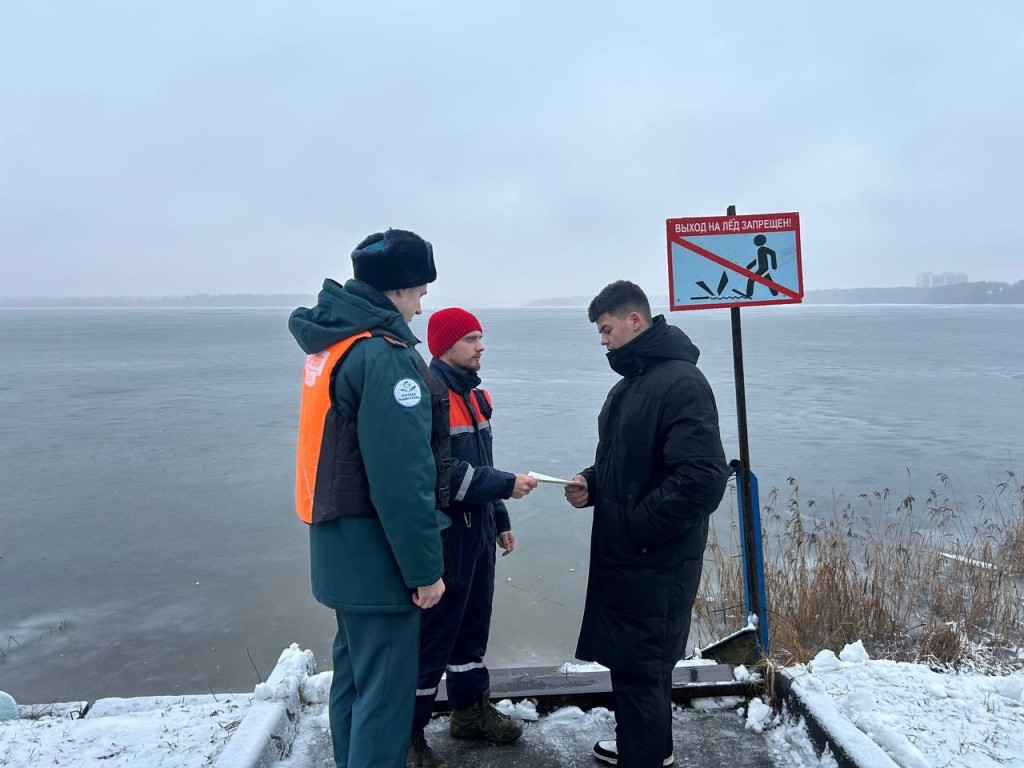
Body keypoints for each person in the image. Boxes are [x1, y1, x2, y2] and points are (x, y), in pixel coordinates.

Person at [289, 228, 451, 768]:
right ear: (401, 288)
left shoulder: (334, 344)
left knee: (356, 682)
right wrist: (425, 570)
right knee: (384, 698)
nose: (422, 305)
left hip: (339, 548)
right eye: (421, 291)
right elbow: (402, 479)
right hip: (378, 556)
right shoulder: (384, 358)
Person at [564, 280, 729, 768]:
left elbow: (702, 481)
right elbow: (634, 464)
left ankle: (644, 754)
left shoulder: (681, 383)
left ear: (635, 321)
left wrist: (636, 525)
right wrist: (593, 484)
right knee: (641, 666)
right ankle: (651, 747)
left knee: (640, 668)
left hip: (653, 558)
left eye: (607, 328)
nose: (603, 340)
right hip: (633, 557)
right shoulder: (630, 387)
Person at [406, 307, 538, 768]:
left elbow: (482, 460)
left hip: (477, 531)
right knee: (434, 636)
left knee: (472, 628)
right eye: (471, 339)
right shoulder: (431, 394)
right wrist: (505, 485)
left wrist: (499, 517)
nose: (481, 346)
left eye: (481, 337)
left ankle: (469, 711)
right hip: (446, 536)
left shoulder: (474, 396)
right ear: (444, 346)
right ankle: (409, 735)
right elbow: (440, 475)